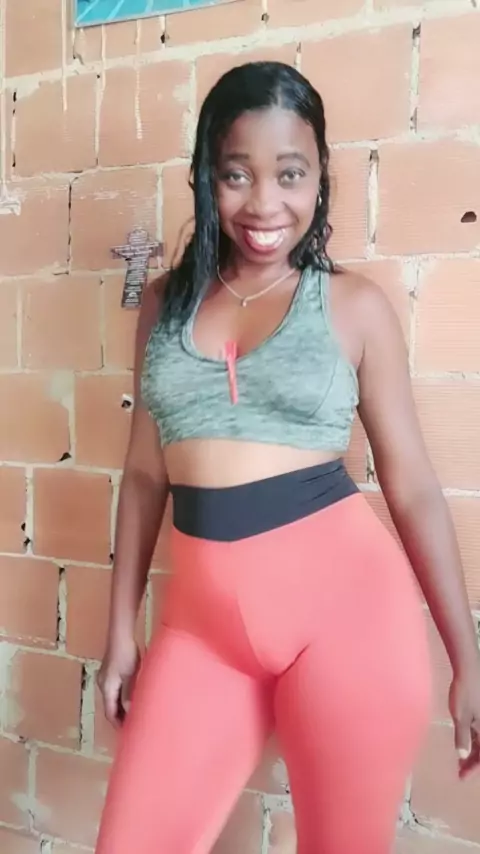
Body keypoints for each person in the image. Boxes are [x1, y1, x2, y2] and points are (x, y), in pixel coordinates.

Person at [95, 61, 480, 854]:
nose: (265, 203)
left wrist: (468, 659)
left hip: (350, 623)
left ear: (319, 178)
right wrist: (121, 632)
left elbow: (411, 487)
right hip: (201, 635)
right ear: (206, 176)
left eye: (290, 174)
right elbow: (143, 474)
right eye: (237, 174)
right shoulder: (164, 305)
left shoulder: (353, 307)